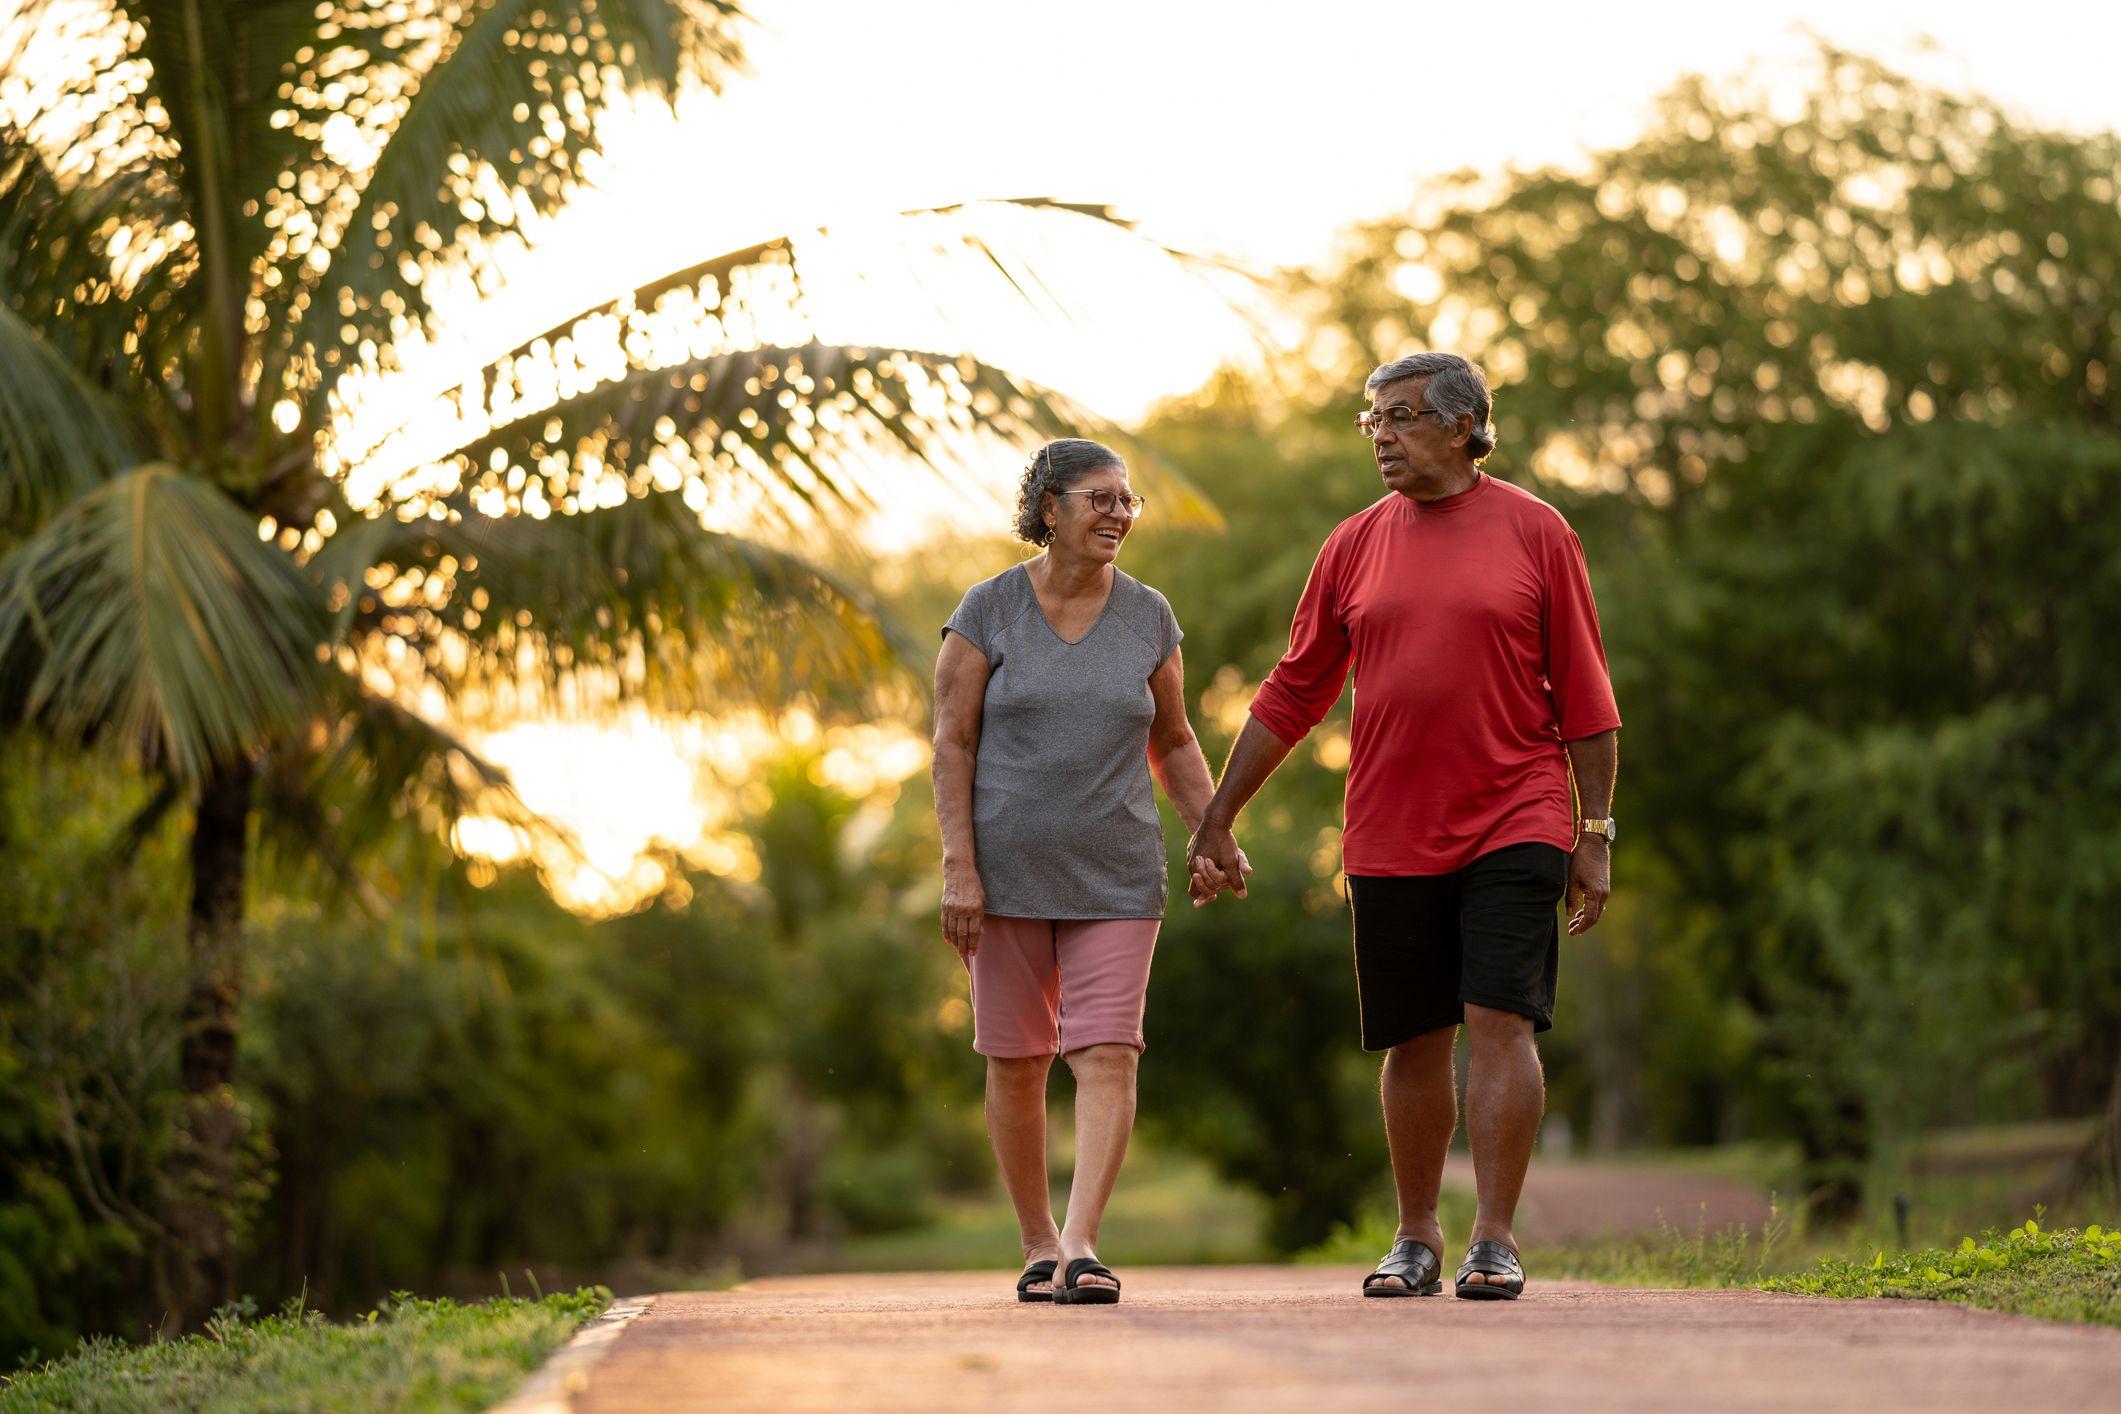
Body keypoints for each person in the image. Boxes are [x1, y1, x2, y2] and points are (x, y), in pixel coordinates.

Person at [1188, 352, 1620, 1302]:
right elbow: (1294, 689)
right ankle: (1416, 1235)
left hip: (1518, 811)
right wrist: (1218, 815)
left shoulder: (1537, 531)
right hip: (1388, 824)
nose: (1380, 435)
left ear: (1463, 427)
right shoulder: (1351, 544)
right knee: (1413, 1040)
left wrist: (1593, 831)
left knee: (1498, 1017)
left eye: (1402, 417)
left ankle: (1494, 1239)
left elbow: (1585, 693)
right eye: (1370, 419)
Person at [932, 437, 1234, 1306]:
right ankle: (1035, 1243)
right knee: (1018, 1059)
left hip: (1116, 874)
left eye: (1127, 501)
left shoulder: (1147, 615)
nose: (1118, 514)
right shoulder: (986, 610)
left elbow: (1173, 738)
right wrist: (960, 868)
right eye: (1099, 499)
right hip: (1004, 872)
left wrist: (1208, 833)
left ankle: (1083, 1243)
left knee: (1107, 1053)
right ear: (1049, 508)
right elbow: (951, 742)